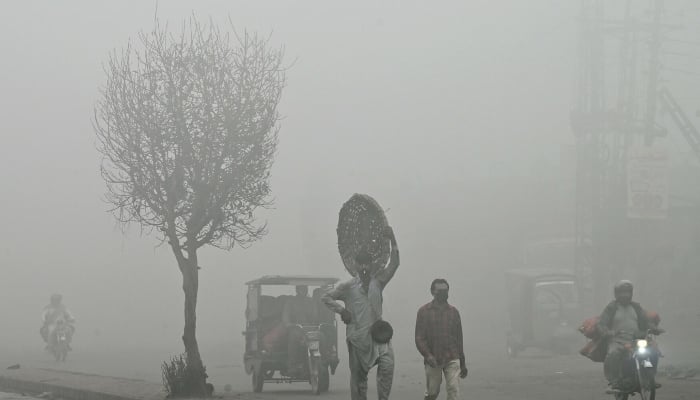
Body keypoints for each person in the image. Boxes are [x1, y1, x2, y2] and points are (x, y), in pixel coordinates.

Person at [322, 226, 400, 400]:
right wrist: (342, 310)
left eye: (367, 263)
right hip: (357, 339)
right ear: (355, 265)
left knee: (387, 368)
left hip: (379, 336)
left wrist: (393, 238)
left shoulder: (379, 282)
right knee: (358, 380)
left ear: (371, 264)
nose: (364, 266)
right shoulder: (348, 287)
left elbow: (394, 264)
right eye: (361, 263)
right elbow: (326, 297)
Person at [415, 279, 468, 400]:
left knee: (454, 390)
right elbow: (419, 338)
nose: (444, 293)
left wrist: (463, 363)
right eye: (440, 291)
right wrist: (428, 355)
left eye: (446, 291)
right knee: (432, 392)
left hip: (452, 357)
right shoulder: (423, 312)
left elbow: (459, 339)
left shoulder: (454, 312)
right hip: (433, 358)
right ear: (432, 292)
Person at [597, 280, 654, 390]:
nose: (625, 295)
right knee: (613, 354)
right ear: (617, 294)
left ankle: (649, 377)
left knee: (651, 353)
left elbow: (646, 321)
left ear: (631, 293)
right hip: (616, 341)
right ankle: (614, 381)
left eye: (627, 292)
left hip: (636, 340)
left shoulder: (636, 307)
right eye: (622, 292)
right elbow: (602, 324)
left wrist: (653, 329)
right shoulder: (611, 308)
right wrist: (608, 332)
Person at [282, 285, 316, 375]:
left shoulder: (310, 302)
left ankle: (321, 359)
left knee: (321, 337)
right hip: (295, 328)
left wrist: (314, 323)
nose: (304, 290)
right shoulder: (291, 302)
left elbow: (315, 316)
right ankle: (292, 365)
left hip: (309, 328)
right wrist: (288, 324)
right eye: (302, 289)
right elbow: (286, 316)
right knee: (294, 338)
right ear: (297, 290)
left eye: (305, 288)